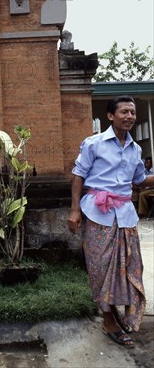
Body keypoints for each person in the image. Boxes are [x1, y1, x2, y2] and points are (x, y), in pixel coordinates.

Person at [68, 96, 154, 349]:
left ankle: (122, 313)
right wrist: (74, 210)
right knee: (100, 268)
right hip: (97, 213)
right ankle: (108, 318)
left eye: (133, 112)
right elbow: (78, 176)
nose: (129, 116)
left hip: (125, 216)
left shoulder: (135, 149)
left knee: (129, 267)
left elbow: (139, 179)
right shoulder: (93, 143)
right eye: (124, 112)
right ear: (110, 116)